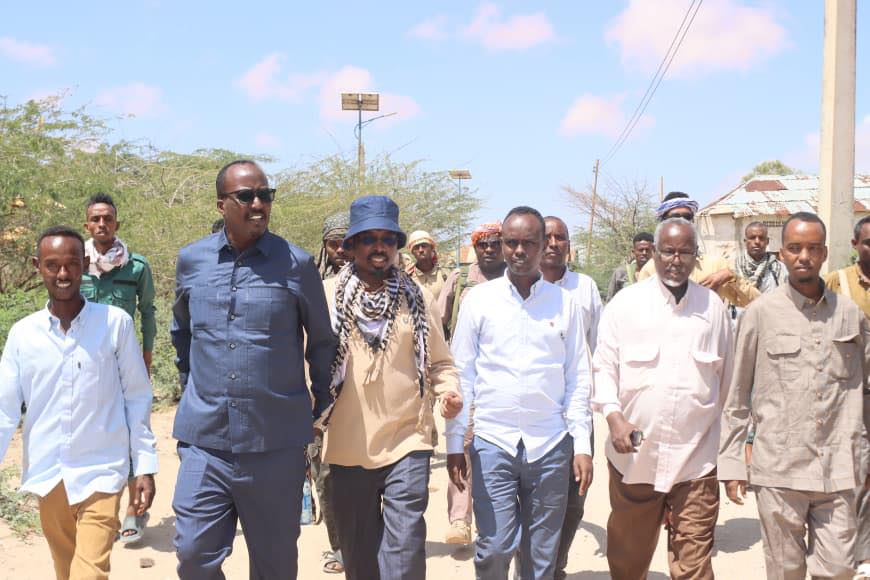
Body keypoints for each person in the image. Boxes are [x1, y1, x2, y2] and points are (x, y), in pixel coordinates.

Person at [170, 160, 337, 579]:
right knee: (193, 554)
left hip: (275, 443)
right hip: (205, 442)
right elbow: (182, 333)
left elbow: (322, 342)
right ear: (222, 204)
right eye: (246, 196)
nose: (258, 204)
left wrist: (319, 409)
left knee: (274, 565)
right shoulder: (192, 261)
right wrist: (194, 389)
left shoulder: (296, 264)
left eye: (266, 195)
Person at [0, 226, 158, 580]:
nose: (63, 273)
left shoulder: (114, 324)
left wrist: (144, 465)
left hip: (102, 472)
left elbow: (137, 396)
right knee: (66, 571)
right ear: (37, 266)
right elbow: (4, 409)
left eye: (72, 264)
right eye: (52, 265)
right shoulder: (23, 334)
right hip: (48, 475)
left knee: (89, 574)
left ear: (85, 265)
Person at [719, 212, 870, 580]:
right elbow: (737, 396)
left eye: (813, 248)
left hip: (839, 467)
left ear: (824, 254)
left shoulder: (850, 315)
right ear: (782, 254)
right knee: (785, 571)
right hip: (779, 470)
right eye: (795, 248)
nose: (804, 256)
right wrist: (733, 464)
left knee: (839, 569)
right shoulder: (759, 314)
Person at [319, 195, 462, 580]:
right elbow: (304, 366)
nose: (379, 247)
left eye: (388, 239)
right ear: (350, 246)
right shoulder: (325, 297)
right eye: (369, 238)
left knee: (404, 551)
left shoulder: (418, 297)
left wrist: (448, 391)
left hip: (408, 440)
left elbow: (441, 362)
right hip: (347, 445)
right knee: (360, 557)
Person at [447, 206, 594, 580]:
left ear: (543, 245)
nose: (518, 251)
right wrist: (454, 443)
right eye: (511, 242)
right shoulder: (479, 300)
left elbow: (578, 377)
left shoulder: (566, 304)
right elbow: (462, 375)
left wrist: (582, 444)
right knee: (495, 548)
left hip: (551, 445)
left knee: (539, 559)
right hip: (493, 442)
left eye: (528, 243)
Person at [593, 217, 733, 579]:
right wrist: (614, 417)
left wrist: (727, 451)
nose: (676, 260)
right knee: (628, 563)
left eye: (685, 252)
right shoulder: (625, 305)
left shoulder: (713, 309)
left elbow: (727, 383)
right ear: (654, 253)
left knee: (694, 566)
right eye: (668, 251)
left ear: (696, 256)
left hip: (696, 461)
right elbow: (603, 368)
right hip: (635, 459)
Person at [79, 192, 157, 544]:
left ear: (117, 224)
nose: (102, 224)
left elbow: (149, 312)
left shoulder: (136, 267)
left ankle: (134, 510)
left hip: (125, 364)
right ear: (87, 225)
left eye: (107, 219)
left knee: (132, 432)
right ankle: (99, 513)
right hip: (86, 366)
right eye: (95, 219)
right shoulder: (76, 264)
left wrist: (147, 355)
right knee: (95, 435)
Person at [537, 215, 601, 580]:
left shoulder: (585, 288)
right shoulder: (518, 287)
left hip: (577, 412)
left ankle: (555, 567)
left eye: (560, 237)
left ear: (568, 246)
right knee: (533, 501)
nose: (553, 243)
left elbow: (599, 347)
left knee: (574, 500)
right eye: (546, 236)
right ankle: (532, 568)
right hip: (534, 414)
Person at [436, 220, 506, 545]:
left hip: (504, 379)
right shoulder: (460, 279)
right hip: (465, 376)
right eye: (483, 244)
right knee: (462, 445)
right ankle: (460, 520)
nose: (489, 249)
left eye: (495, 243)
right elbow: (438, 323)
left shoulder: (517, 279)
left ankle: (497, 523)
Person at [824, 215, 870, 579]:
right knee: (854, 476)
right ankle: (854, 553)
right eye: (868, 241)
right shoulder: (836, 282)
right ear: (855, 245)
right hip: (851, 396)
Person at [637, 192, 759, 307]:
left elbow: (757, 304)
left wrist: (732, 277)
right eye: (675, 217)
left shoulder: (716, 265)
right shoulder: (651, 269)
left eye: (687, 217)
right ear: (663, 223)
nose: (682, 222)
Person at [735, 221, 787, 293]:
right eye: (752, 238)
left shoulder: (780, 268)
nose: (757, 242)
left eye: (761, 238)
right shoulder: (734, 267)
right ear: (745, 241)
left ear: (767, 241)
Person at [606, 231, 654, 301]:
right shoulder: (621, 272)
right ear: (633, 252)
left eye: (647, 250)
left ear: (654, 251)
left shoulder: (659, 274)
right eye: (641, 250)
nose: (644, 253)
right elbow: (611, 300)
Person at [406, 230, 450, 300]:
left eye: (424, 246)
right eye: (416, 247)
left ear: (432, 248)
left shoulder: (445, 275)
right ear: (412, 252)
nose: (420, 250)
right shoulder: (407, 277)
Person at [317, 212, 350, 280]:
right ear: (325, 246)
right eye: (333, 244)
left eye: (346, 243)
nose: (340, 250)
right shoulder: (313, 278)